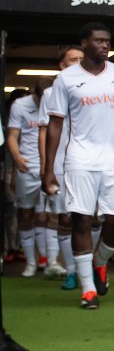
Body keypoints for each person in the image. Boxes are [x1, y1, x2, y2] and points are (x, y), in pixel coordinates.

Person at [42, 23, 114, 310]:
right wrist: (48, 169)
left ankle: (100, 261)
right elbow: (55, 124)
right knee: (80, 219)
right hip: (79, 158)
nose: (105, 46)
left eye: (108, 41)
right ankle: (88, 289)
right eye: (98, 41)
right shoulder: (66, 79)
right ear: (84, 44)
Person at [37, 45, 85, 290]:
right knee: (66, 218)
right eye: (72, 59)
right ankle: (72, 270)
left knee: (94, 219)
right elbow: (45, 130)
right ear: (62, 65)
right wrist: (46, 167)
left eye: (80, 59)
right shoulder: (52, 92)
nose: (77, 62)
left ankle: (96, 266)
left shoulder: (101, 85)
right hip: (60, 164)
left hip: (90, 162)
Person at [7, 79, 52, 277]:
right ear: (35, 95)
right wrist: (17, 158)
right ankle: (30, 263)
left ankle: (46, 259)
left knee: (46, 216)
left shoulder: (55, 101)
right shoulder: (20, 105)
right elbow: (11, 136)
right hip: (28, 167)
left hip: (49, 168)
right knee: (25, 214)